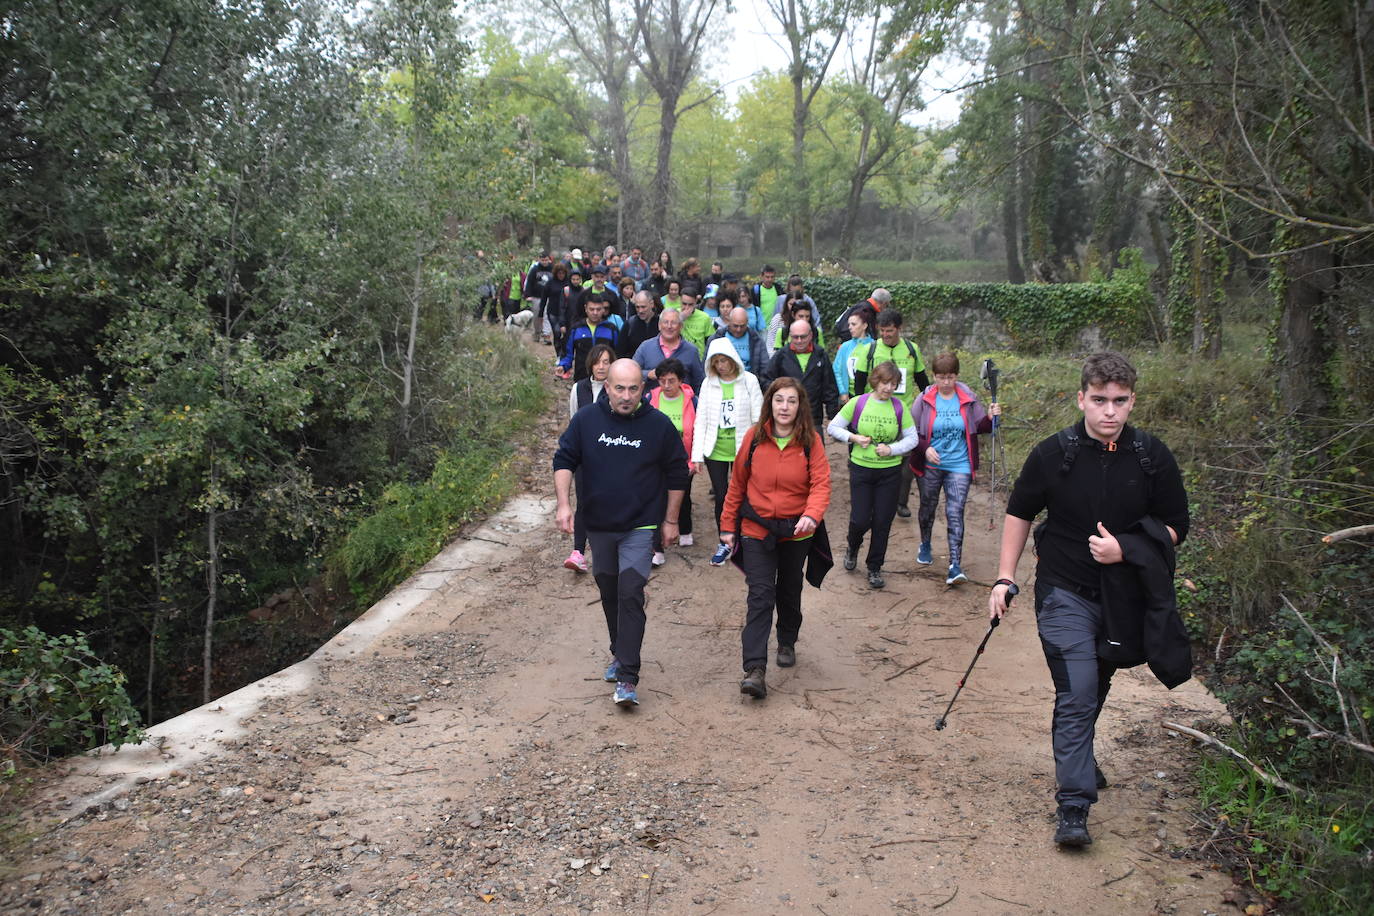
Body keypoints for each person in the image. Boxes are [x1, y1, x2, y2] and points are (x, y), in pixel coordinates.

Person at [988, 351, 1189, 847]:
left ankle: (1080, 755)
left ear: (1132, 401)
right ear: (1081, 398)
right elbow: (1019, 511)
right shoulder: (1053, 454)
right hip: (1063, 593)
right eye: (1099, 400)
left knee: (1097, 682)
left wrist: (1128, 549)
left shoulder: (1152, 457)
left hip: (1124, 598)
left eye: (1120, 401)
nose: (1109, 412)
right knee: (1076, 691)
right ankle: (1073, 806)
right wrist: (1004, 578)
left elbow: (1176, 527)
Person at [554, 359, 688, 708]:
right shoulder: (586, 420)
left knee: (631, 593)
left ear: (644, 389)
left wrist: (671, 521)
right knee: (610, 591)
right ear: (607, 387)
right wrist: (563, 505)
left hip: (640, 526)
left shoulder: (658, 426)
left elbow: (677, 475)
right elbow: (563, 459)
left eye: (633, 389)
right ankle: (619, 651)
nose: (626, 396)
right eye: (619, 388)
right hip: (599, 524)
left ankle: (628, 676)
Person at [719, 377, 832, 699]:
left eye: (791, 401)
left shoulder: (810, 441)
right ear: (770, 403)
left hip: (797, 532)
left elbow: (822, 483)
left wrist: (811, 514)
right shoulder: (754, 439)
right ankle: (755, 669)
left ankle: (786, 639)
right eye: (779, 400)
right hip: (756, 530)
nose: (785, 407)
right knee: (760, 595)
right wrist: (728, 526)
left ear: (800, 406)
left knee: (789, 589)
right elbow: (737, 484)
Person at [911, 351, 1001, 585]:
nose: (946, 382)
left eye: (950, 377)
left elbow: (980, 426)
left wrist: (991, 418)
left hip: (960, 463)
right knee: (928, 506)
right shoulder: (924, 399)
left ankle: (954, 565)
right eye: (941, 377)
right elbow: (910, 432)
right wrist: (925, 448)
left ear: (956, 375)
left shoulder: (967, 398)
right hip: (931, 463)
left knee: (955, 511)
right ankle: (926, 542)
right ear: (933, 376)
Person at [826, 360, 919, 589]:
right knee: (860, 519)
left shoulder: (899, 408)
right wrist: (854, 438)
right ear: (876, 381)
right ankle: (853, 547)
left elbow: (912, 438)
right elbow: (833, 427)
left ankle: (874, 567)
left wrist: (892, 449)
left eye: (893, 384)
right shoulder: (859, 403)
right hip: (861, 469)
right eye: (885, 383)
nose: (888, 388)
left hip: (889, 472)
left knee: (882, 522)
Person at [693, 338, 765, 566]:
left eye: (724, 360)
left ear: (733, 359)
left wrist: (758, 449)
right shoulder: (708, 384)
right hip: (715, 449)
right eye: (716, 362)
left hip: (742, 448)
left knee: (744, 494)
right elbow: (701, 419)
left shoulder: (749, 381)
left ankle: (746, 538)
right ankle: (725, 541)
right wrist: (696, 455)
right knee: (722, 497)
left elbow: (759, 417)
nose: (721, 365)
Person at [852, 309, 929, 518]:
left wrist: (929, 405)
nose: (886, 335)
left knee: (906, 460)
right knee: (876, 455)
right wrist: (858, 412)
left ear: (899, 329)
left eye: (890, 331)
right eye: (882, 331)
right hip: (874, 412)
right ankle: (874, 498)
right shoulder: (869, 350)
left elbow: (923, 382)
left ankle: (901, 502)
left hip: (904, 411)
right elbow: (859, 384)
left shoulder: (912, 350)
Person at [564, 344, 618, 573]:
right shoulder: (579, 388)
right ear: (591, 364)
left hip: (612, 457)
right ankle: (578, 552)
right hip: (585, 456)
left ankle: (610, 548)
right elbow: (573, 420)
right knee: (584, 501)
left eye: (606, 362)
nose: (602, 366)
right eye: (598, 362)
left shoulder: (616, 390)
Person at [648, 358, 697, 566]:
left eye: (671, 381)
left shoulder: (692, 401)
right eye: (662, 381)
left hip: (683, 460)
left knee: (682, 497)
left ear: (680, 381)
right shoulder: (650, 398)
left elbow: (697, 431)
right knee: (656, 500)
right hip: (656, 460)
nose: (666, 386)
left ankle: (684, 527)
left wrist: (695, 459)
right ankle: (656, 547)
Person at [761, 319, 839, 426]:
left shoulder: (821, 355)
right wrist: (780, 395)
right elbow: (766, 380)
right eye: (795, 337)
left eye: (803, 337)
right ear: (790, 336)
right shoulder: (781, 356)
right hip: (787, 416)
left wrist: (832, 415)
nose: (799, 341)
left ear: (810, 335)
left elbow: (830, 387)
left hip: (813, 416)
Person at [632, 307, 705, 391]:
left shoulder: (691, 350)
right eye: (665, 322)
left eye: (673, 323)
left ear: (681, 326)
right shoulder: (645, 347)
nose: (669, 326)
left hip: (682, 402)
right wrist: (648, 374)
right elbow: (631, 373)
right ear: (659, 325)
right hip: (651, 402)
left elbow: (698, 382)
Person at [558, 297, 618, 380]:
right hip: (582, 375)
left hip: (605, 377)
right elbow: (568, 353)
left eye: (598, 309)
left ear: (603, 310)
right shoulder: (576, 329)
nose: (595, 313)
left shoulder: (611, 329)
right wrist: (563, 366)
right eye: (592, 309)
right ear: (586, 309)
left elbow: (617, 353)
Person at [833, 305, 876, 404]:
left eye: (853, 324)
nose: (850, 328)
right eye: (849, 325)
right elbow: (837, 370)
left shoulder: (875, 345)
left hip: (870, 396)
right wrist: (843, 392)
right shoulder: (845, 347)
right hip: (849, 397)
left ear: (864, 326)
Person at [707, 306, 768, 375]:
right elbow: (707, 365)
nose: (738, 330)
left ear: (747, 323)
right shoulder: (716, 339)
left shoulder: (757, 340)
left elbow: (765, 366)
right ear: (729, 322)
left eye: (742, 326)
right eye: (735, 326)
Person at [618, 290, 660, 358]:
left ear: (652, 304)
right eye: (637, 307)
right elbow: (620, 352)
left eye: (643, 307)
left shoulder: (661, 323)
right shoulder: (629, 324)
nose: (640, 311)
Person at [679, 289, 715, 358]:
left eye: (690, 304)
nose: (687, 308)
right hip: (678, 358)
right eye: (684, 304)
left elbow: (710, 340)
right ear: (680, 301)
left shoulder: (704, 317)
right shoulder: (674, 315)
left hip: (698, 358)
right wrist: (680, 318)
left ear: (695, 302)